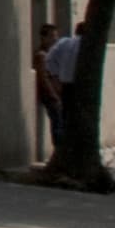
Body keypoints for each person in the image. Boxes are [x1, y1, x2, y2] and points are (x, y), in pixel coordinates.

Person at [43, 23, 83, 158]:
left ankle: (64, 151)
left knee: (65, 119)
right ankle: (74, 152)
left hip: (64, 84)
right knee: (78, 120)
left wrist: (55, 77)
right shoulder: (85, 45)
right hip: (78, 85)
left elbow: (49, 59)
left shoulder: (65, 42)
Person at [33, 22, 65, 155]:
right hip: (51, 97)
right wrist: (54, 96)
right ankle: (59, 152)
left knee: (62, 123)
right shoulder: (42, 55)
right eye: (52, 36)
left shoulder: (53, 55)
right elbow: (44, 78)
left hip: (58, 95)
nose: (55, 39)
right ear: (44, 38)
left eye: (56, 36)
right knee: (57, 124)